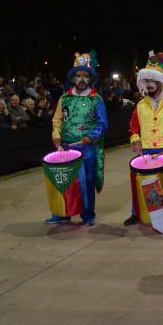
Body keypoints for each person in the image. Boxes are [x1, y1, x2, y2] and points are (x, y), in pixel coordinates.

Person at [125, 47, 163, 229]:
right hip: (145, 151)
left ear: (161, 82)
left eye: (154, 81)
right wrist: (135, 140)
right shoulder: (140, 105)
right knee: (139, 183)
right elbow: (133, 127)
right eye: (147, 81)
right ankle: (137, 213)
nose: (150, 84)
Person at [47, 51, 109, 226]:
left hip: (86, 148)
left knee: (86, 182)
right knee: (63, 182)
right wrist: (56, 136)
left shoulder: (96, 99)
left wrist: (91, 137)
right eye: (78, 75)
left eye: (85, 76)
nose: (82, 79)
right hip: (65, 148)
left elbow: (103, 124)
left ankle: (88, 215)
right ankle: (61, 213)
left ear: (90, 79)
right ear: (73, 78)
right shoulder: (64, 98)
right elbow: (57, 119)